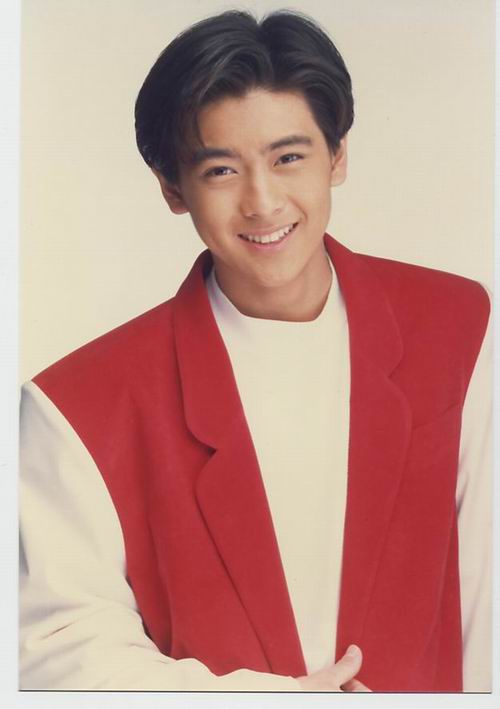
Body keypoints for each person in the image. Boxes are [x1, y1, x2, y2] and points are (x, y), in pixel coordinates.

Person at [19, 9, 491, 693]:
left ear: (337, 156)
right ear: (172, 189)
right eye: (221, 170)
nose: (263, 202)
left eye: (288, 158)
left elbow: (488, 592)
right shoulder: (76, 407)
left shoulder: (460, 329)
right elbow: (59, 654)